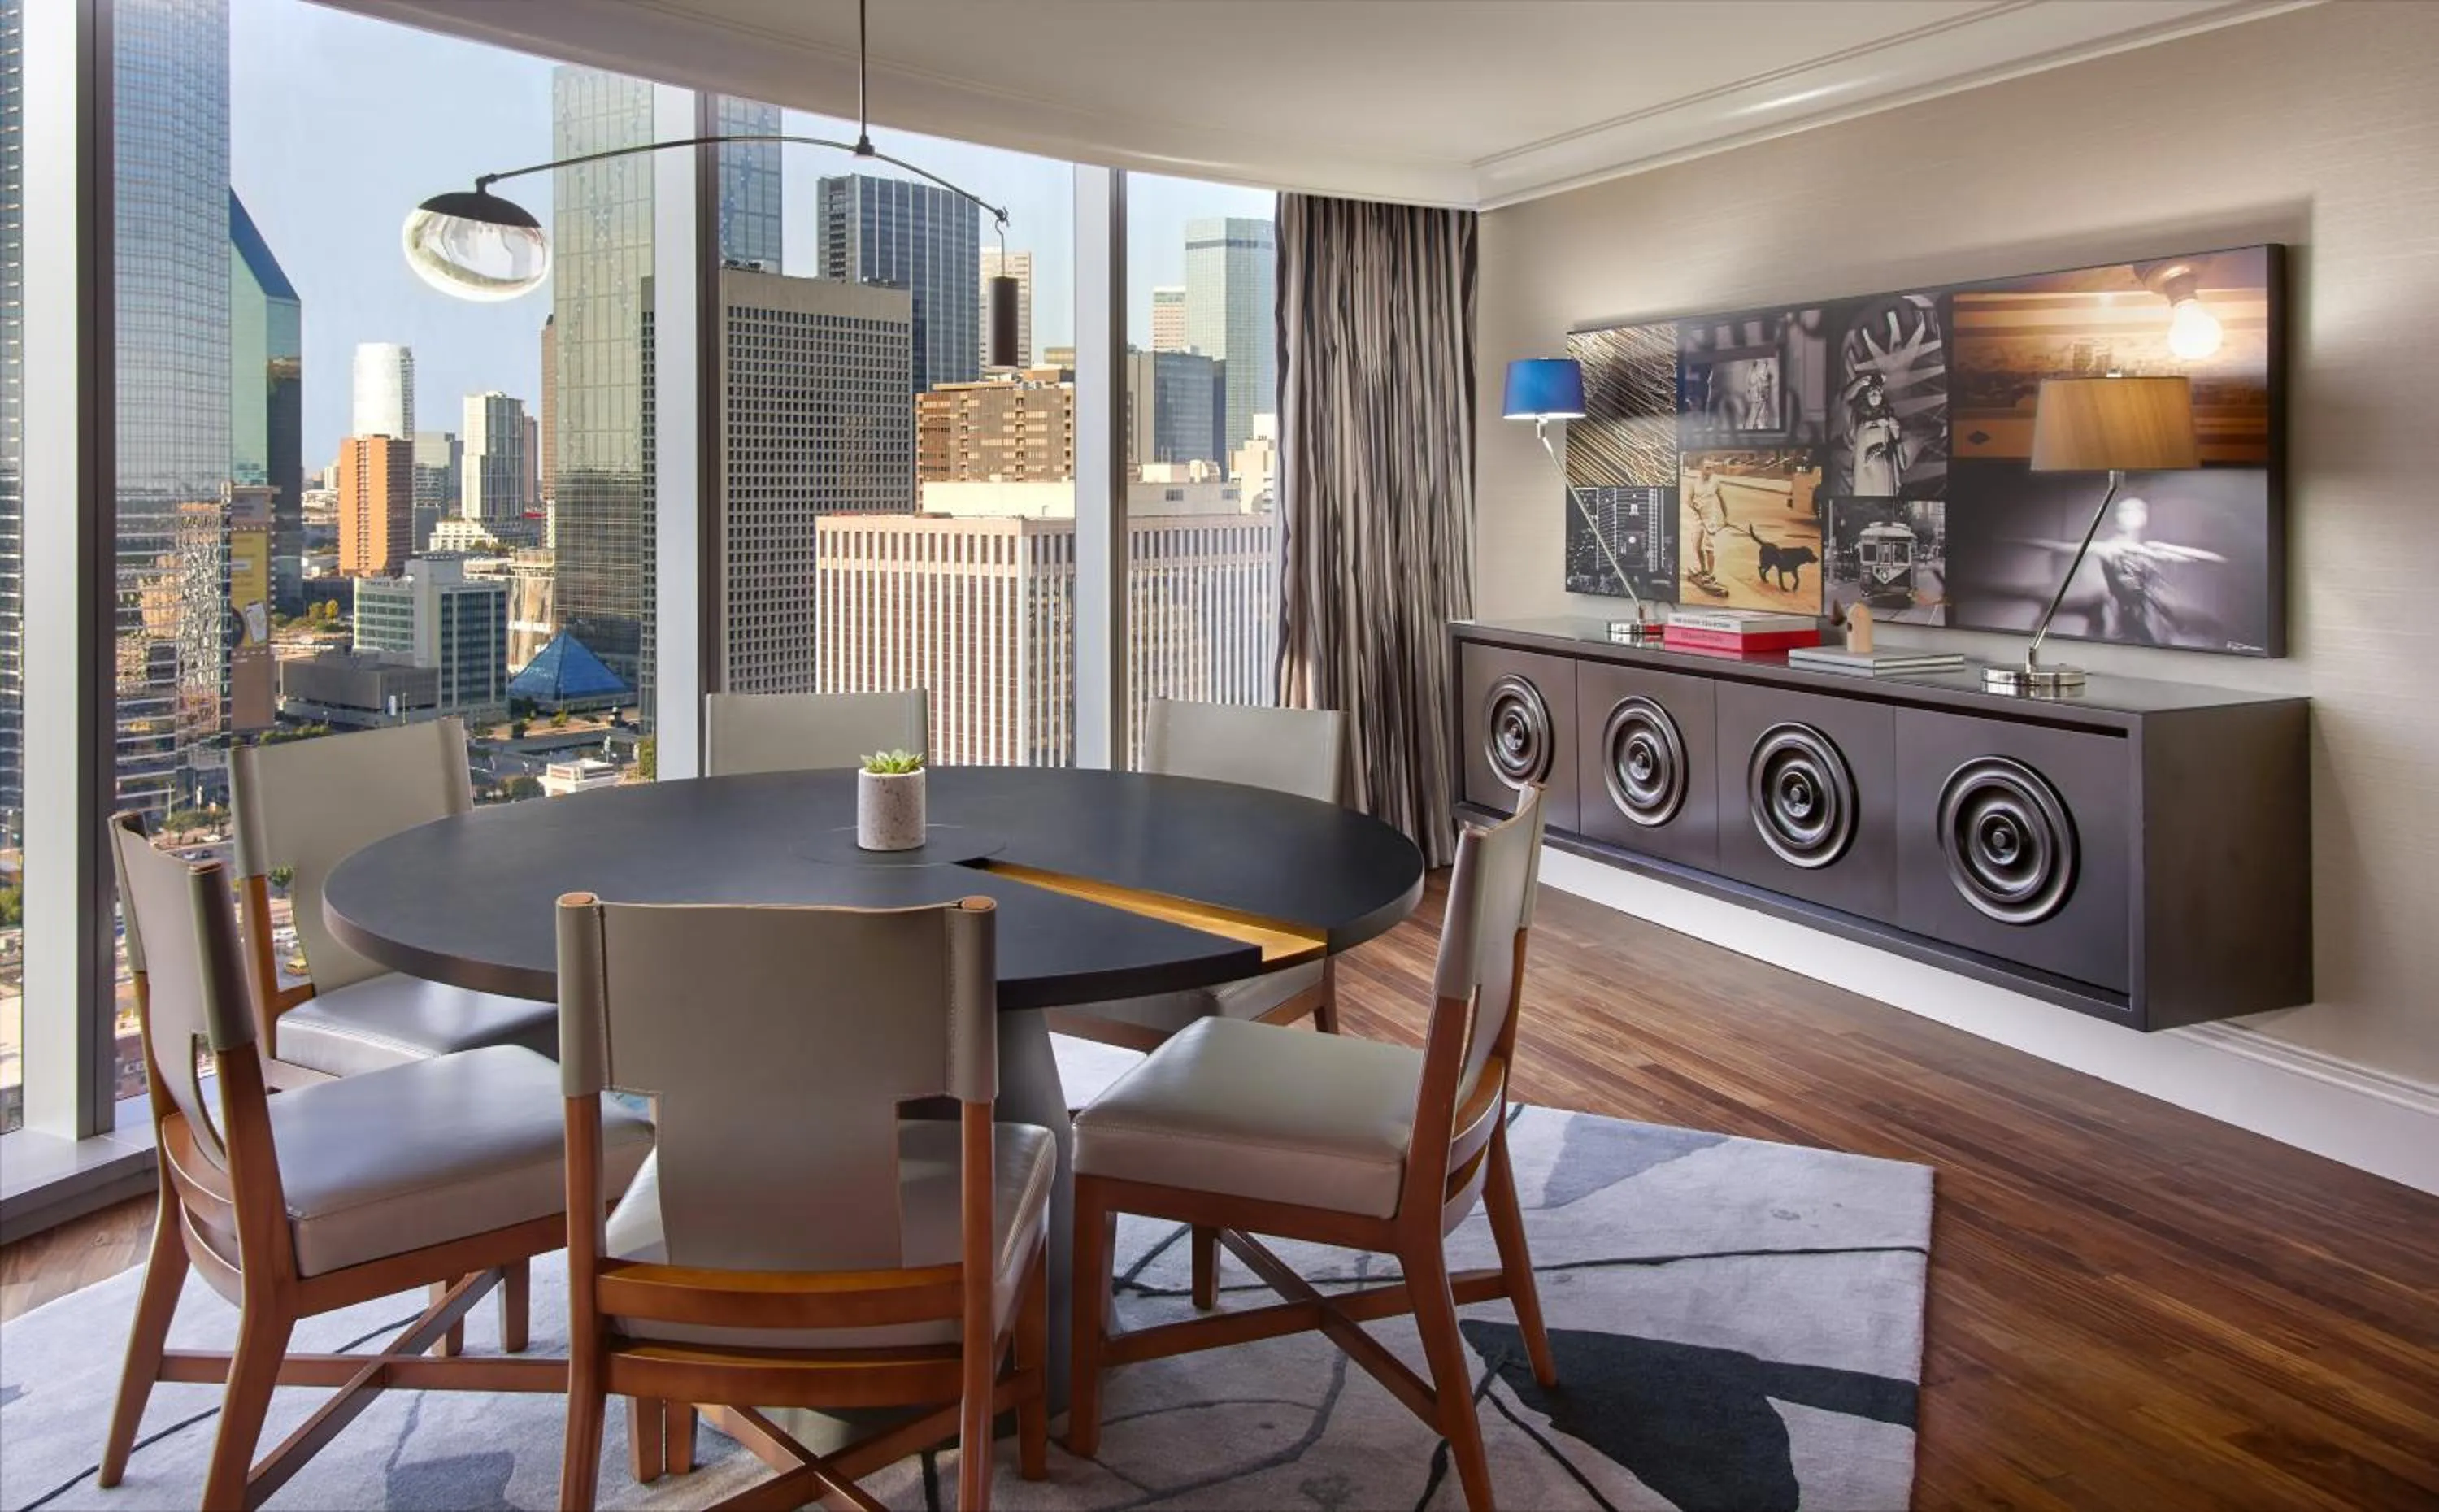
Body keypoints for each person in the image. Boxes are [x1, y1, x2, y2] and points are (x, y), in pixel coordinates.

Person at [1685, 463, 1730, 597]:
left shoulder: (1716, 482)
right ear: (1701, 469)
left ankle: (1711, 574)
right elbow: (1688, 500)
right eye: (1707, 468)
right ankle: (1704, 570)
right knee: (1697, 547)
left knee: (1709, 547)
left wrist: (1726, 517)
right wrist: (1692, 505)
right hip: (1698, 519)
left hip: (1711, 519)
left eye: (1712, 468)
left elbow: (1722, 500)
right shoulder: (1694, 483)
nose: (1710, 471)